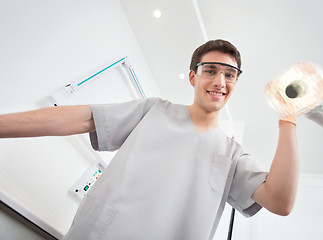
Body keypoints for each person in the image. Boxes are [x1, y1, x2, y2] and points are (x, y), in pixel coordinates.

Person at [0, 39, 298, 239]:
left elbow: (280, 201)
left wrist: (288, 119)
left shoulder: (232, 156)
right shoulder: (154, 110)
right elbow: (82, 117)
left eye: (229, 75)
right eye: (210, 70)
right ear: (193, 77)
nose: (220, 81)